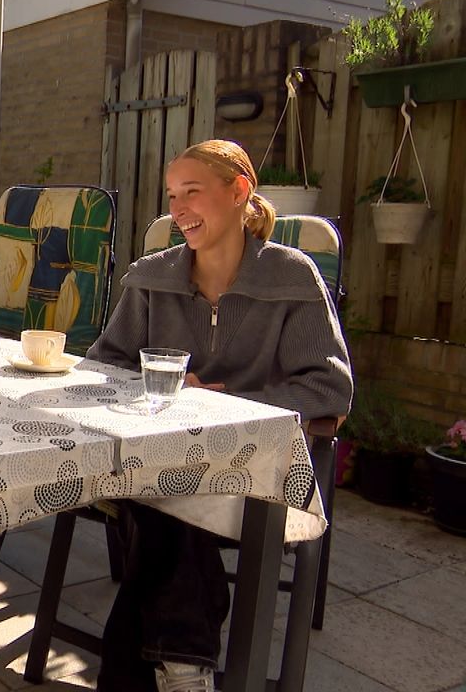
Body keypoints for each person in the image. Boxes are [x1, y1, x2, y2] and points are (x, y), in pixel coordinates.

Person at [85, 139, 353, 692]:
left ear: (239, 193)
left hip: (247, 474)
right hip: (153, 463)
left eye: (193, 193)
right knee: (165, 495)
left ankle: (164, 667)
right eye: (171, 196)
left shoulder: (292, 278)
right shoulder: (152, 277)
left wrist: (231, 407)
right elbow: (101, 365)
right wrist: (164, 383)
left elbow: (329, 386)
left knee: (165, 509)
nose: (178, 209)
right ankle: (184, 669)